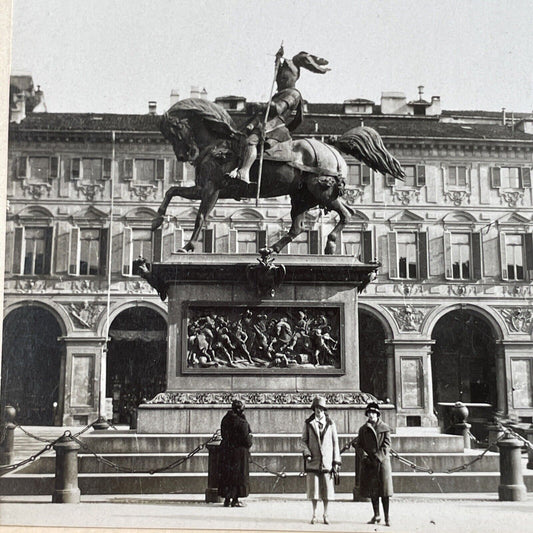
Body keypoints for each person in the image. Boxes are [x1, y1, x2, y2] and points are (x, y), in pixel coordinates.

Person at [228, 47, 330, 184]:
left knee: (250, 141)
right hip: (266, 123)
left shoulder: (293, 93)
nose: (279, 81)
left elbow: (278, 108)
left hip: (276, 126)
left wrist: (261, 106)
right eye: (279, 78)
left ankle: (244, 172)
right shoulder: (280, 92)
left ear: (292, 78)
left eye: (283, 78)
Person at [300, 396, 341, 525]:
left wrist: (336, 461)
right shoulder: (308, 423)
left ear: (324, 410)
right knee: (314, 491)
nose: (319, 411)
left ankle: (326, 514)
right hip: (313, 462)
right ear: (314, 409)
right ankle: (314, 514)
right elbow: (303, 441)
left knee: (327, 491)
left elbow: (335, 443)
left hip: (327, 462)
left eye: (321, 409)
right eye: (317, 408)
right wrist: (307, 453)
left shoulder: (331, 424)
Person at [356, 402, 393, 527]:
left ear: (378, 414)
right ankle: (376, 515)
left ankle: (387, 517)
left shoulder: (385, 428)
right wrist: (364, 455)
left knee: (385, 492)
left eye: (373, 413)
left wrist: (378, 457)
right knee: (373, 491)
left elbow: (387, 445)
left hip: (382, 463)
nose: (371, 415)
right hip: (369, 463)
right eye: (369, 413)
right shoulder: (363, 429)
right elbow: (359, 445)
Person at [218, 399, 253, 507]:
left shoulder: (225, 419)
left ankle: (227, 499)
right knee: (238, 477)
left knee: (228, 475)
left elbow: (223, 434)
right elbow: (247, 440)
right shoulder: (242, 423)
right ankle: (235, 499)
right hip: (239, 453)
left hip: (226, 451)